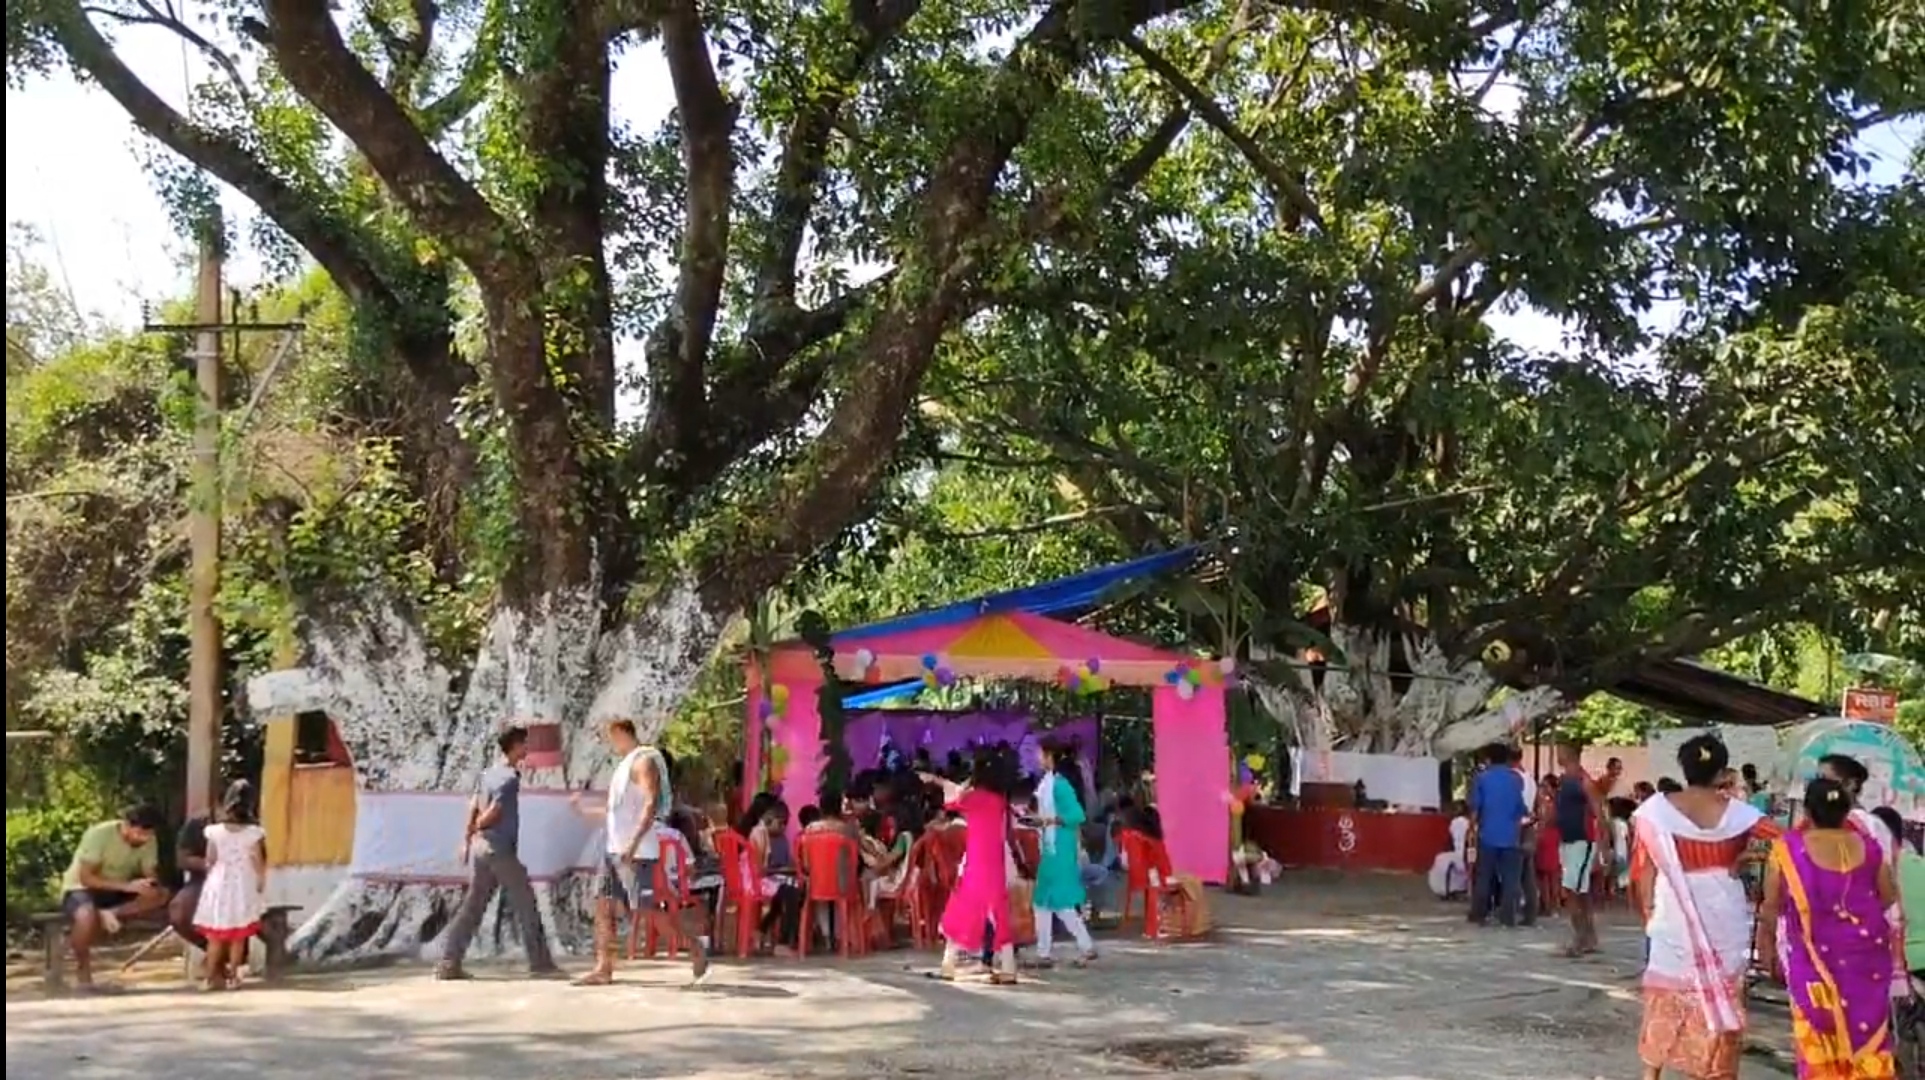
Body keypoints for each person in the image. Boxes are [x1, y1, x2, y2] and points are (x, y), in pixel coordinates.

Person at [1633, 734, 1779, 1080]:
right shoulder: (1740, 814)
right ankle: (1713, 1071)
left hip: (1673, 913)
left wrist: (1648, 913)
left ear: (1683, 768)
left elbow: (1645, 868)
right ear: (1721, 774)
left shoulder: (1654, 812)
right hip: (1724, 913)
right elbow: (1788, 844)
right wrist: (1745, 856)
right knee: (1722, 995)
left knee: (1666, 996)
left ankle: (1651, 1074)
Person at [1757, 777, 1899, 1079]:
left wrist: (1766, 947)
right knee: (1869, 1039)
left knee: (1819, 1043)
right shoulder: (1870, 847)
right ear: (1846, 811)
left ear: (1807, 811)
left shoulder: (1788, 850)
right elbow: (1888, 898)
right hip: (1866, 964)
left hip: (1813, 964)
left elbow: (1772, 905)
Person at [569, 718, 709, 986]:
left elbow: (649, 803)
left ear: (621, 732)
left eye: (611, 738)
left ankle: (694, 947)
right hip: (613, 850)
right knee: (602, 906)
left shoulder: (643, 762)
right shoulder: (623, 766)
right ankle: (603, 968)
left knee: (653, 913)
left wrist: (632, 844)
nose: (610, 745)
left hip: (638, 852)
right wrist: (582, 812)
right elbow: (617, 813)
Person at [437, 726, 561, 980]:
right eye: (524, 744)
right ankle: (541, 963)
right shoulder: (509, 778)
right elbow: (494, 811)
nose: (527, 749)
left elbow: (473, 805)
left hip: (482, 850)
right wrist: (478, 826)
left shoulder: (488, 773)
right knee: (526, 905)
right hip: (500, 850)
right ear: (515, 746)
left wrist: (468, 837)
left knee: (473, 907)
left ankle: (449, 962)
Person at [922, 745, 1020, 984]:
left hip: (977, 860)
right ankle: (1008, 966)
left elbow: (951, 802)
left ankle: (949, 963)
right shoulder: (998, 800)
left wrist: (937, 780)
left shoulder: (973, 798)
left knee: (962, 906)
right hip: (995, 861)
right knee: (997, 912)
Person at [58, 804, 170, 989]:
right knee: (86, 916)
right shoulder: (100, 835)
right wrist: (127, 886)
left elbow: (149, 871)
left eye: (149, 835)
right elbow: (86, 878)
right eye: (140, 834)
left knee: (162, 895)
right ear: (126, 826)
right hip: (82, 888)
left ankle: (111, 913)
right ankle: (82, 970)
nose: (144, 839)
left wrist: (150, 885)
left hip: (118, 890)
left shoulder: (149, 840)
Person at [191, 780, 268, 990]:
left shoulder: (214, 832)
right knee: (238, 935)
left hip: (218, 883)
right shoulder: (254, 833)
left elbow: (210, 860)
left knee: (215, 936)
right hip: (243, 884)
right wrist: (261, 881)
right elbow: (257, 860)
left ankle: (208, 978)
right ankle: (234, 977)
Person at [1030, 739, 1098, 968]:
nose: (1036, 757)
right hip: (1051, 848)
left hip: (1060, 848)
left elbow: (1077, 815)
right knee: (1044, 902)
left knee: (1057, 902)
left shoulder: (1059, 785)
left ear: (1049, 756)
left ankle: (1081, 946)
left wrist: (1048, 820)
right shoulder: (1048, 783)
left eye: (1039, 753)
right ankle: (1046, 952)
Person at [1554, 743, 1613, 957]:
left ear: (1568, 754)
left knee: (1572, 891)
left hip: (1582, 841)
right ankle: (1589, 938)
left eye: (1560, 751)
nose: (1557, 754)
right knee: (1581, 891)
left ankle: (1579, 939)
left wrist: (1604, 846)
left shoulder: (1583, 781)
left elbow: (1599, 812)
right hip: (1567, 841)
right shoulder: (1564, 781)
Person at [1467, 743, 1529, 928]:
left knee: (1484, 876)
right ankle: (1508, 916)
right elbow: (1520, 808)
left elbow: (1476, 808)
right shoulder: (1516, 779)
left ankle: (1480, 914)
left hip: (1488, 835)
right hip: (1511, 835)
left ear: (1488, 759)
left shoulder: (1482, 779)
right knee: (1511, 879)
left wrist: (1472, 830)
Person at [734, 795, 801, 955]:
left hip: (745, 882)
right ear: (768, 816)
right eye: (780, 821)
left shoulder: (749, 831)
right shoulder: (760, 833)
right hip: (754, 883)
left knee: (783, 892)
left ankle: (762, 929)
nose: (783, 826)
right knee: (792, 892)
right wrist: (779, 871)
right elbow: (760, 869)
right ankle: (783, 942)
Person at [169, 805, 212, 958]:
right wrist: (211, 865)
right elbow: (182, 859)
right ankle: (215, 956)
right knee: (179, 912)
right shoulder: (198, 824)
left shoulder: (256, 824)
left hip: (247, 881)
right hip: (204, 880)